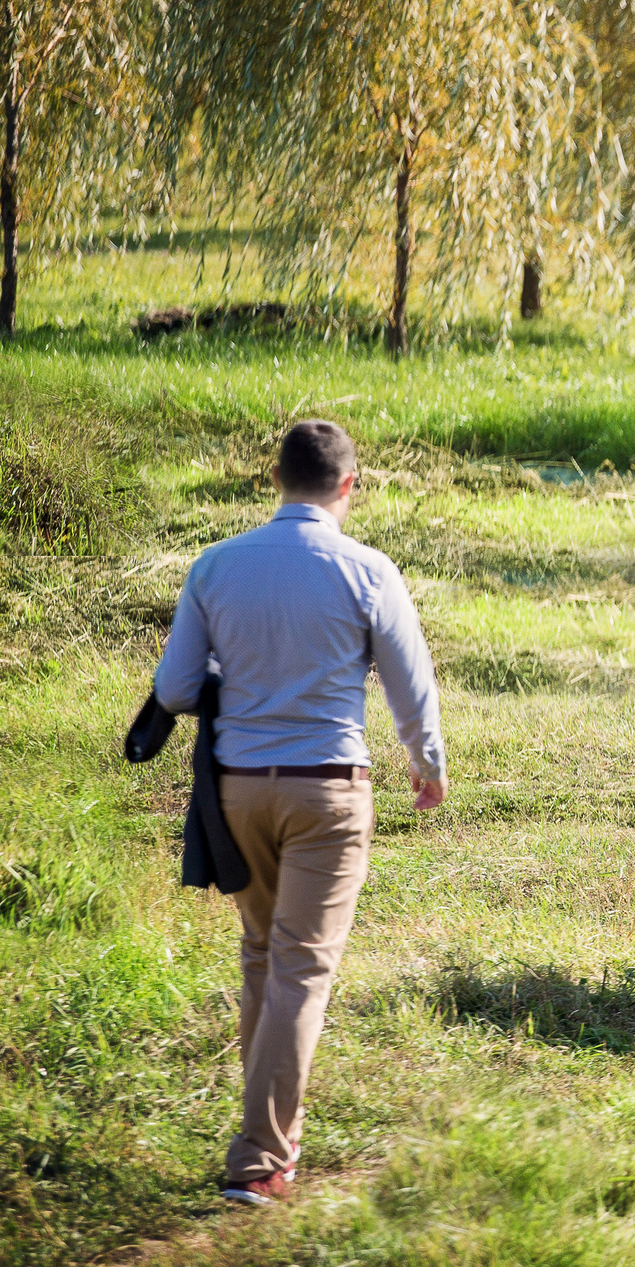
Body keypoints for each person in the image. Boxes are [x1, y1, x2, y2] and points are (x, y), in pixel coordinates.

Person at [153, 420, 448, 1207]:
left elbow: (177, 690)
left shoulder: (215, 566)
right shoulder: (368, 570)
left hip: (237, 792)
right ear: (349, 485)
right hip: (328, 791)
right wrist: (427, 763)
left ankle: (268, 1129)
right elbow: (409, 688)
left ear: (274, 478)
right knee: (301, 966)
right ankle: (260, 1159)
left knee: (263, 954)